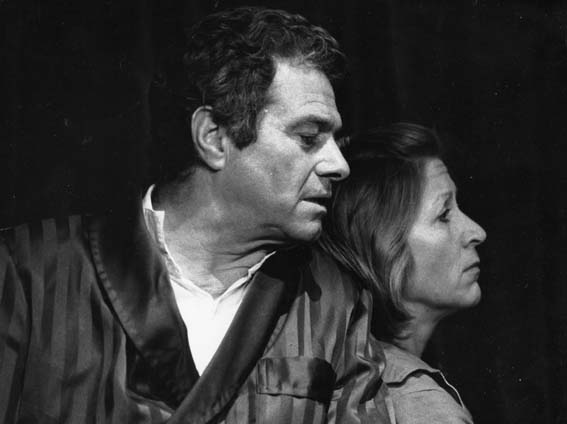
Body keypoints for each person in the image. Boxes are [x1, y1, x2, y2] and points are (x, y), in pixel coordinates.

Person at [0, 7, 390, 423]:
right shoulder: (28, 271)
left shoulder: (335, 303)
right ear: (213, 138)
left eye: (335, 141)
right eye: (309, 136)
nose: (339, 165)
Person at [319, 123, 487, 423]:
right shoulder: (422, 406)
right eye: (444, 215)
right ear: (384, 249)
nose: (476, 232)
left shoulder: (345, 377)